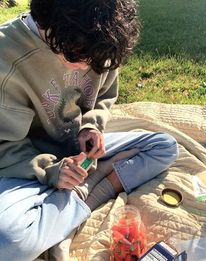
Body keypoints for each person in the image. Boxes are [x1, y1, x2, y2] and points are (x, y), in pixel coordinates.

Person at [0, 0, 179, 260]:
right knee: (8, 242)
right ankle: (88, 188)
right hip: (24, 166)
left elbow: (104, 95)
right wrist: (50, 171)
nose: (87, 67)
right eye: (78, 56)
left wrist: (91, 127)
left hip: (77, 152)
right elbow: (3, 146)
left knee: (164, 147)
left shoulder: (101, 39)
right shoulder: (6, 57)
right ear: (49, 26)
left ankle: (79, 194)